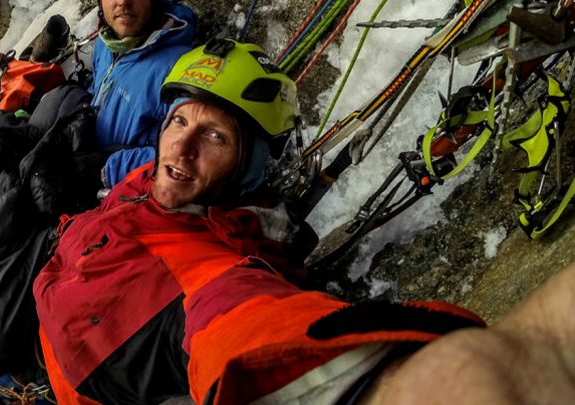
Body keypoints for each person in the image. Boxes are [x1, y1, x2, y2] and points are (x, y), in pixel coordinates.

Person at [33, 39, 575, 404]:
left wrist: (389, 382)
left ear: (249, 170)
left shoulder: (208, 275)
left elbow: (250, 332)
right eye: (178, 119)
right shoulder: (161, 184)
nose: (182, 145)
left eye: (216, 136)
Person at [88, 0, 197, 158]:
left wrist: (104, 168)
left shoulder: (179, 66)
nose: (123, 1)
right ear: (101, 1)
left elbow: (182, 154)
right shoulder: (104, 45)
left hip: (119, 186)